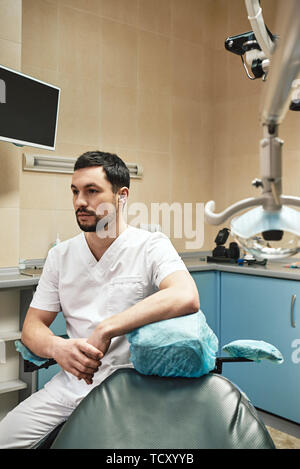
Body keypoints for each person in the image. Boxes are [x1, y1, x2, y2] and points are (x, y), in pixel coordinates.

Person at [0, 151, 200, 449]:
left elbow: (186, 294)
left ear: (121, 196)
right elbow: (32, 327)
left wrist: (108, 328)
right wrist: (58, 348)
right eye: (75, 192)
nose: (80, 201)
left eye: (92, 191)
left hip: (135, 388)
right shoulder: (61, 256)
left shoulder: (150, 246)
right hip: (72, 386)